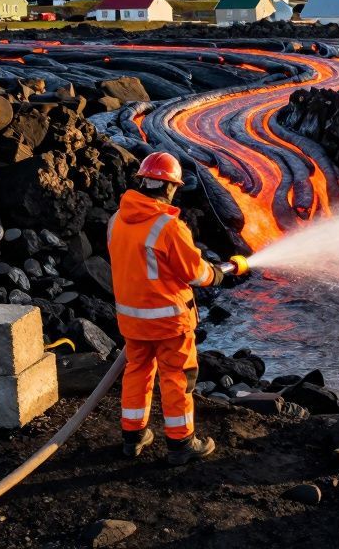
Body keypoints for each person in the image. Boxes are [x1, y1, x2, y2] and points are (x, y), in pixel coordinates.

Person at [108, 151, 226, 464]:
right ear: (170, 186)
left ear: (142, 181)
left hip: (131, 319)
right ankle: (181, 443)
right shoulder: (168, 226)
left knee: (137, 372)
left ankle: (133, 438)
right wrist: (216, 273)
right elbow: (195, 273)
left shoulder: (116, 220)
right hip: (170, 322)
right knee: (177, 378)